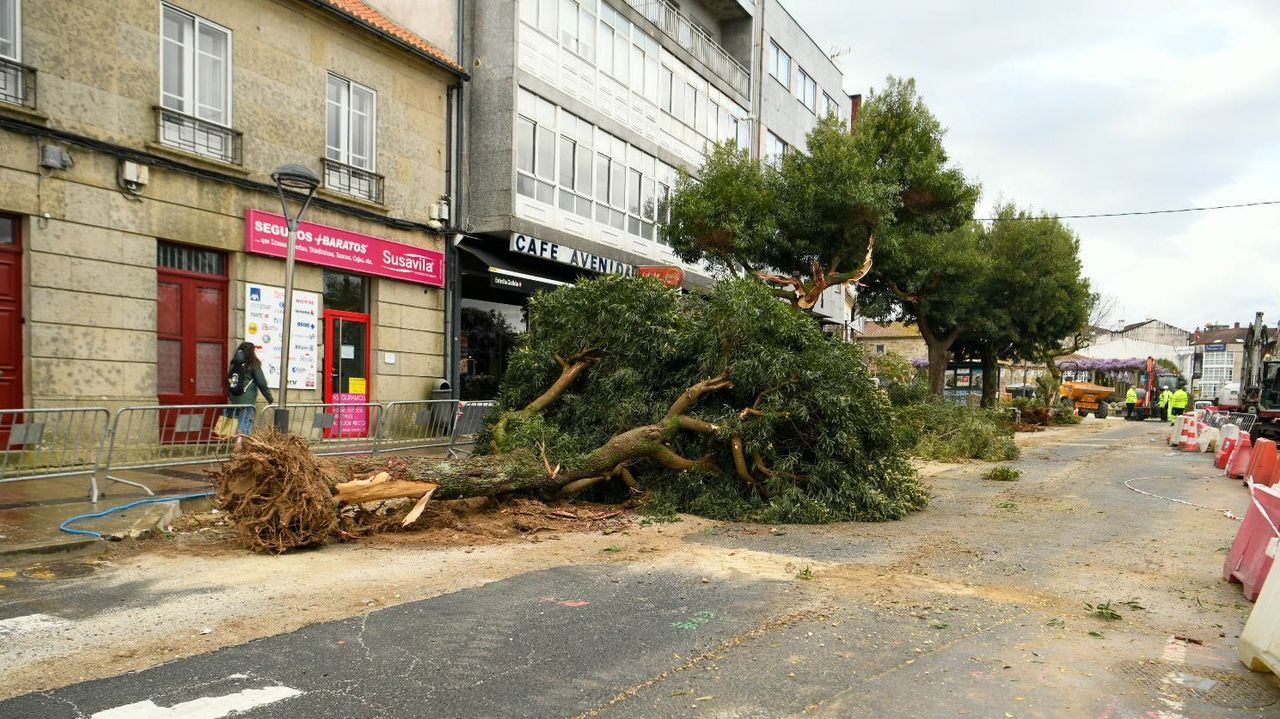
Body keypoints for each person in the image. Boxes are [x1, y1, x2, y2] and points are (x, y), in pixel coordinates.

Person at [226, 342, 273, 438]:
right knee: (245, 423)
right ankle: (240, 447)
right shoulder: (253, 363)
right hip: (247, 399)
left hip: (235, 397)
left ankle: (240, 445)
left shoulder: (234, 363)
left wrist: (230, 396)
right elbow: (261, 382)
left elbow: (229, 380)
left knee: (239, 421)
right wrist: (269, 398)